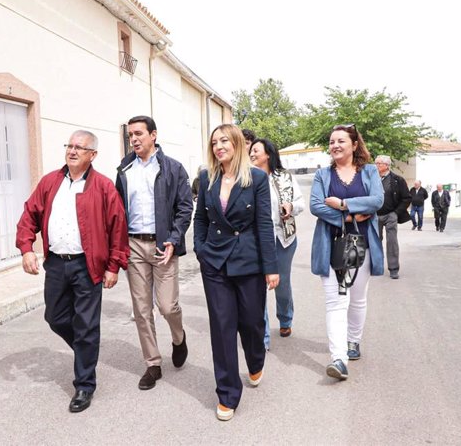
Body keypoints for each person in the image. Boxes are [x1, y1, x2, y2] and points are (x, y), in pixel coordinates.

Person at [16, 130, 129, 413]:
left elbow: (118, 228)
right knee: (54, 317)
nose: (73, 151)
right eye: (69, 145)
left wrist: (113, 265)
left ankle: (84, 385)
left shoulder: (103, 186)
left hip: (87, 264)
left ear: (93, 155)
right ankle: (84, 350)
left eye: (80, 147)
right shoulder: (50, 182)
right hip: (56, 262)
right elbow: (29, 215)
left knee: (88, 325)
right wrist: (27, 247)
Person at [194, 124, 279, 421]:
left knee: (253, 323)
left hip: (249, 262)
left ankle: (255, 360)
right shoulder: (206, 178)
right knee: (222, 327)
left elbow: (264, 225)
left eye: (224, 141)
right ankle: (228, 393)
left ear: (236, 145)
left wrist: (271, 267)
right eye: (214, 142)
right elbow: (201, 220)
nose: (219, 146)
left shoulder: (256, 178)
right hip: (215, 263)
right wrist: (201, 251)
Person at [115, 115, 193, 391]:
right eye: (130, 136)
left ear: (153, 135)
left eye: (138, 134)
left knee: (167, 306)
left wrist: (173, 238)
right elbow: (117, 210)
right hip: (134, 244)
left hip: (163, 245)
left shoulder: (173, 168)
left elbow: (185, 208)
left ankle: (178, 337)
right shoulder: (124, 169)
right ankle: (153, 363)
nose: (134, 139)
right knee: (141, 308)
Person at [310, 124, 384, 381]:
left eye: (341, 140)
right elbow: (316, 206)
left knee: (357, 297)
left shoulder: (370, 171)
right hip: (330, 244)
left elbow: (377, 201)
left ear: (354, 145)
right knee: (335, 300)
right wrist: (353, 215)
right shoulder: (322, 175)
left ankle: (353, 341)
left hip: (361, 244)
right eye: (332, 141)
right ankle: (339, 358)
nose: (335, 145)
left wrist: (343, 205)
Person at [249, 138, 305, 349]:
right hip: (256, 239)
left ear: (268, 155)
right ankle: (262, 335)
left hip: (284, 238)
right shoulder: (247, 178)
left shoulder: (286, 177)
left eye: (256, 151)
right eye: (251, 151)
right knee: (257, 287)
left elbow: (301, 202)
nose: (252, 154)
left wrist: (290, 206)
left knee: (281, 282)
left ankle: (285, 318)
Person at [374, 155, 411, 280]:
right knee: (375, 242)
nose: (376, 165)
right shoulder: (372, 179)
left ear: (386, 165)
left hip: (391, 215)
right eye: (376, 163)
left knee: (392, 242)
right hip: (375, 215)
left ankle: (393, 269)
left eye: (379, 163)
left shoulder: (397, 180)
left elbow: (407, 198)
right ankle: (376, 266)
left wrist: (396, 213)